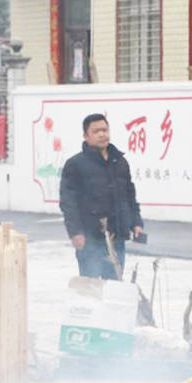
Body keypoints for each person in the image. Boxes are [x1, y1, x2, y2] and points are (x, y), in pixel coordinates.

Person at [59, 113, 143, 279]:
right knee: (91, 288)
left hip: (117, 235)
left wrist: (136, 222)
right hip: (90, 238)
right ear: (86, 135)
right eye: (96, 131)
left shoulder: (119, 161)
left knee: (115, 284)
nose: (102, 134)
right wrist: (75, 232)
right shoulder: (75, 165)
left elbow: (129, 195)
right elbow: (68, 203)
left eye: (105, 130)